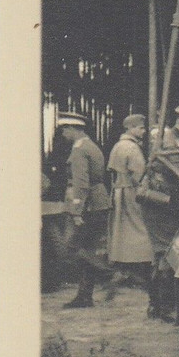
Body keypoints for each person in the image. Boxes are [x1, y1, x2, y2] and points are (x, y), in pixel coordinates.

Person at [141, 102, 179, 321]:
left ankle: (157, 306)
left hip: (170, 201)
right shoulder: (168, 140)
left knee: (165, 253)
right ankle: (163, 306)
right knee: (167, 252)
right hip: (158, 202)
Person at [57, 112, 112, 309]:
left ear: (73, 129)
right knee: (87, 248)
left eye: (64, 129)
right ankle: (85, 295)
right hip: (99, 202)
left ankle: (110, 273)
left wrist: (77, 210)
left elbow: (81, 183)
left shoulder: (79, 150)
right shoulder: (91, 146)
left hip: (88, 205)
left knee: (73, 248)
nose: (63, 133)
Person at [105, 113, 153, 291]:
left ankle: (124, 266)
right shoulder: (132, 148)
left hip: (119, 190)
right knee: (140, 227)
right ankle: (141, 268)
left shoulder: (118, 146)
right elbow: (138, 173)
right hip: (131, 192)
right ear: (131, 129)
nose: (143, 131)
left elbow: (112, 170)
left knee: (121, 230)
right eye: (140, 128)